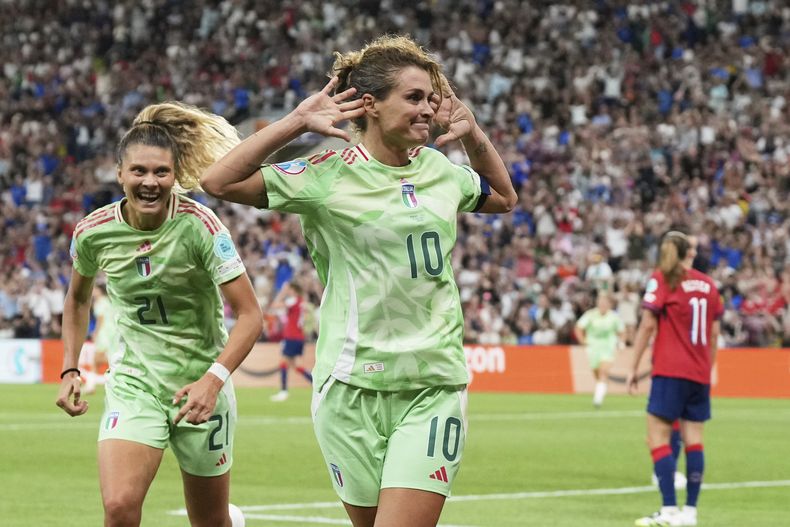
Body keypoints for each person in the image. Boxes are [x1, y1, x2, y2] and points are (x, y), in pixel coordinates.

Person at [200, 34, 517, 527]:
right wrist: (296, 123)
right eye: (414, 98)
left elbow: (503, 196)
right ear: (369, 105)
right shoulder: (326, 176)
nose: (428, 110)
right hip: (348, 386)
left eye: (432, 101)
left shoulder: (441, 170)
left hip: (432, 384)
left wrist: (474, 135)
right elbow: (219, 182)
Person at [55, 102, 263, 527]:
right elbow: (77, 300)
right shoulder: (94, 232)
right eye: (139, 172)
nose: (150, 182)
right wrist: (69, 368)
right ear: (119, 174)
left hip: (201, 388)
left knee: (209, 521)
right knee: (119, 507)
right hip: (137, 385)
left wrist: (212, 381)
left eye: (161, 173)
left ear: (174, 175)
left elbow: (251, 316)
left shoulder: (201, 226)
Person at [627, 232, 722, 527]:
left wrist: (633, 366)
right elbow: (715, 334)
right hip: (699, 372)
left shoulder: (663, 279)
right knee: (695, 440)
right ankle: (690, 513)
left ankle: (669, 510)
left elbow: (647, 325)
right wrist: (708, 367)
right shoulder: (708, 285)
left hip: (670, 370)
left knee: (657, 437)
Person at [573, 293, 625, 408]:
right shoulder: (590, 315)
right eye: (601, 302)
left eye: (605, 302)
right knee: (597, 372)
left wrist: (621, 343)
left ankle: (598, 399)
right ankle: (602, 387)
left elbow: (621, 331)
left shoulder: (614, 317)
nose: (603, 304)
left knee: (603, 371)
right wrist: (583, 341)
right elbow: (578, 328)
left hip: (608, 347)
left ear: (609, 304)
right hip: (592, 348)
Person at [269, 280, 313, 401]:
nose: (288, 291)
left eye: (289, 289)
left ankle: (283, 391)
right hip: (298, 337)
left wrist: (282, 292)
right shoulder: (301, 302)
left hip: (292, 337)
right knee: (296, 366)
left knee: (284, 363)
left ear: (293, 290)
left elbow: (274, 305)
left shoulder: (293, 300)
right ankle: (315, 383)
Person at [82, 283, 116, 394]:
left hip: (104, 333)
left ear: (99, 291)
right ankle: (90, 386)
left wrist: (95, 333)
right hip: (113, 332)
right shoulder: (108, 301)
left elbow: (100, 319)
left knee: (97, 360)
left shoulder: (99, 302)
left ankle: (90, 386)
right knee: (100, 360)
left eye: (94, 290)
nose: (93, 292)